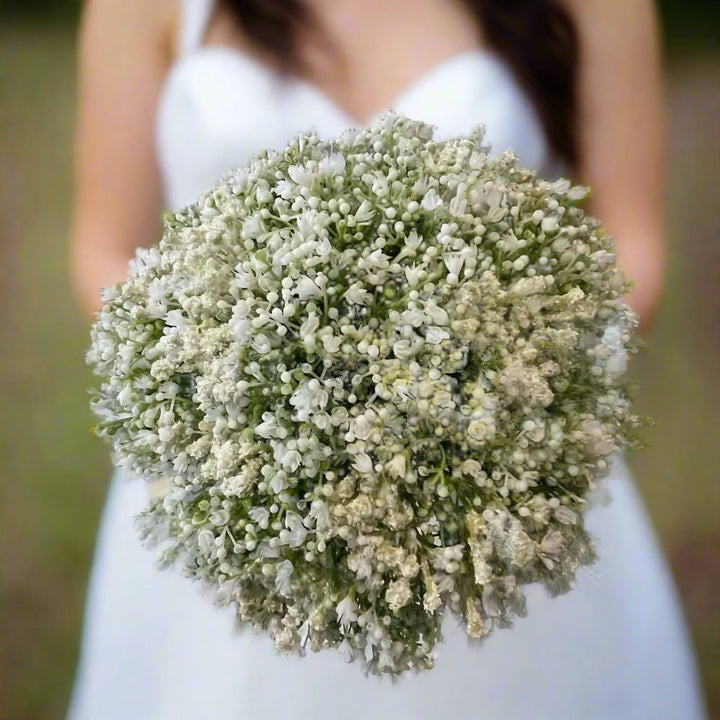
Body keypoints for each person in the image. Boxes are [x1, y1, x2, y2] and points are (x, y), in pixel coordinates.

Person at [67, 1, 706, 718]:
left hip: (497, 483)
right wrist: (232, 393)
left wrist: (493, 394)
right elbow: (104, 247)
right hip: (230, 473)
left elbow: (632, 249)